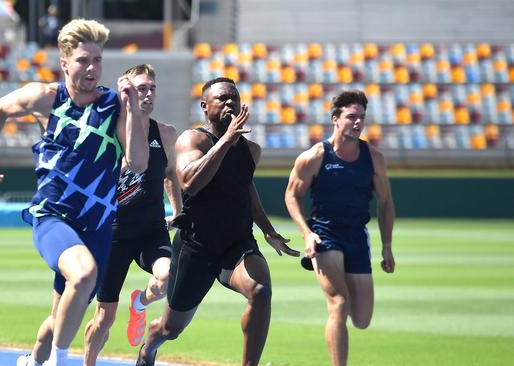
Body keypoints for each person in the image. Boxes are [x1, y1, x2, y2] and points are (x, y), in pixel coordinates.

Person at [0, 18, 149, 366]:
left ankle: (34, 360)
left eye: (97, 60)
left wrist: (133, 111)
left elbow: (138, 164)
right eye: (83, 60)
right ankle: (59, 362)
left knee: (58, 318)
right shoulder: (46, 97)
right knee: (82, 276)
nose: (92, 68)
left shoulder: (114, 107)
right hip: (53, 218)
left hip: (96, 227)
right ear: (64, 62)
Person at [15, 64, 182, 366]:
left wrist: (179, 213)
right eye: (140, 88)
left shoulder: (166, 134)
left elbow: (170, 174)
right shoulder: (106, 131)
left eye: (151, 89)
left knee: (168, 276)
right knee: (97, 317)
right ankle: (59, 360)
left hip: (151, 229)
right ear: (125, 92)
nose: (147, 94)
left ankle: (141, 302)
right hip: (111, 231)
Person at [136, 77, 300, 366]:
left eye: (233, 99)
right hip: (196, 247)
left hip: (236, 244)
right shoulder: (192, 139)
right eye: (222, 98)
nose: (229, 103)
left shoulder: (251, 150)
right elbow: (189, 183)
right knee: (170, 329)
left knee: (260, 292)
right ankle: (149, 345)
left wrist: (268, 230)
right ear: (204, 106)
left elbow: (246, 189)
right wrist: (226, 140)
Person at [284, 89, 396, 366]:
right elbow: (291, 195)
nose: (358, 122)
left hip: (357, 236)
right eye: (351, 117)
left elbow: (385, 203)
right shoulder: (315, 156)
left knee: (361, 319)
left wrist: (387, 247)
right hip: (325, 234)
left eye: (362, 117)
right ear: (335, 118)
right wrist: (307, 234)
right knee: (338, 304)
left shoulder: (374, 158)